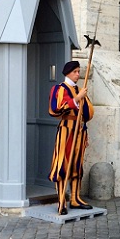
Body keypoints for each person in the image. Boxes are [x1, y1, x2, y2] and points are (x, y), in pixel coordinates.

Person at [48, 61, 94, 215]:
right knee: (63, 164)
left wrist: (82, 100)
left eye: (78, 71)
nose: (78, 74)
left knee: (76, 164)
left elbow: (88, 114)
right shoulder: (59, 89)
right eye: (75, 71)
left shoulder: (80, 90)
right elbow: (55, 109)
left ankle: (75, 198)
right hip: (66, 131)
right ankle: (61, 201)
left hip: (79, 131)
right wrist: (75, 100)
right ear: (67, 72)